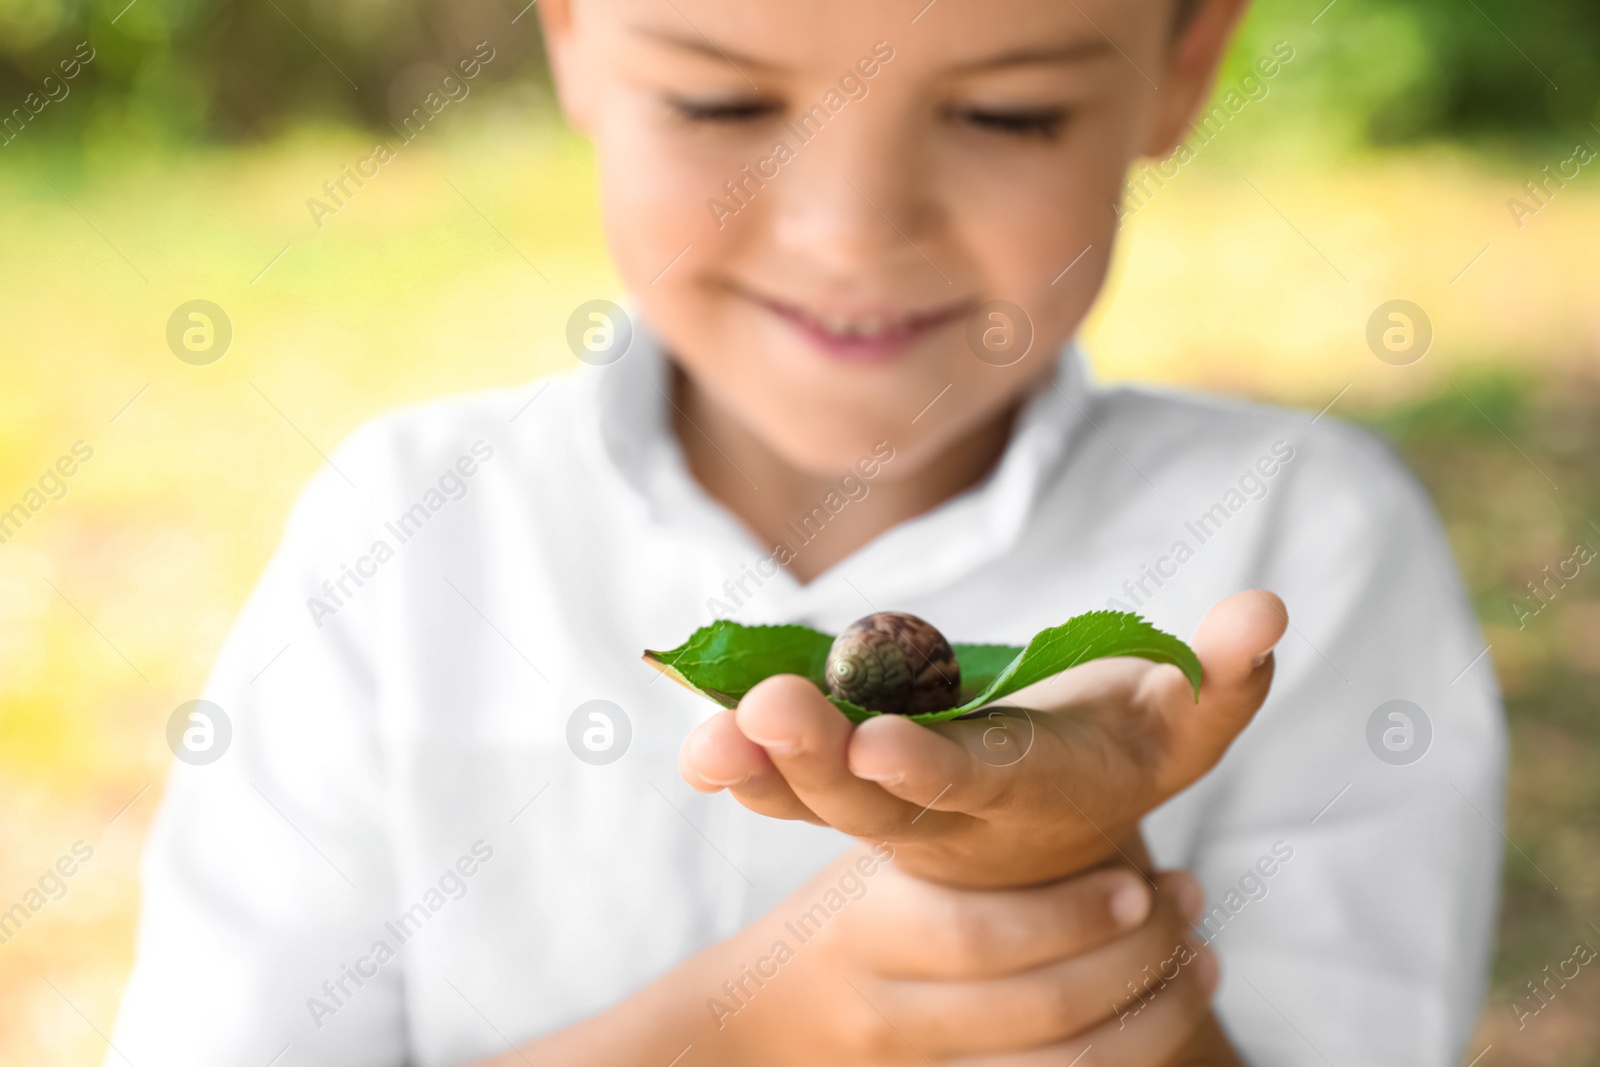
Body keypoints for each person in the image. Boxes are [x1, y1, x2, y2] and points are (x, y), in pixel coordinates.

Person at [108, 0, 1505, 1063]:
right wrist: (749, 1031)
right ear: (573, 39)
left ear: (1186, 61)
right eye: (718, 100)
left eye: (1009, 115)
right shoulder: (403, 530)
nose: (849, 233)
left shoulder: (1304, 544)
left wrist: (1076, 905)